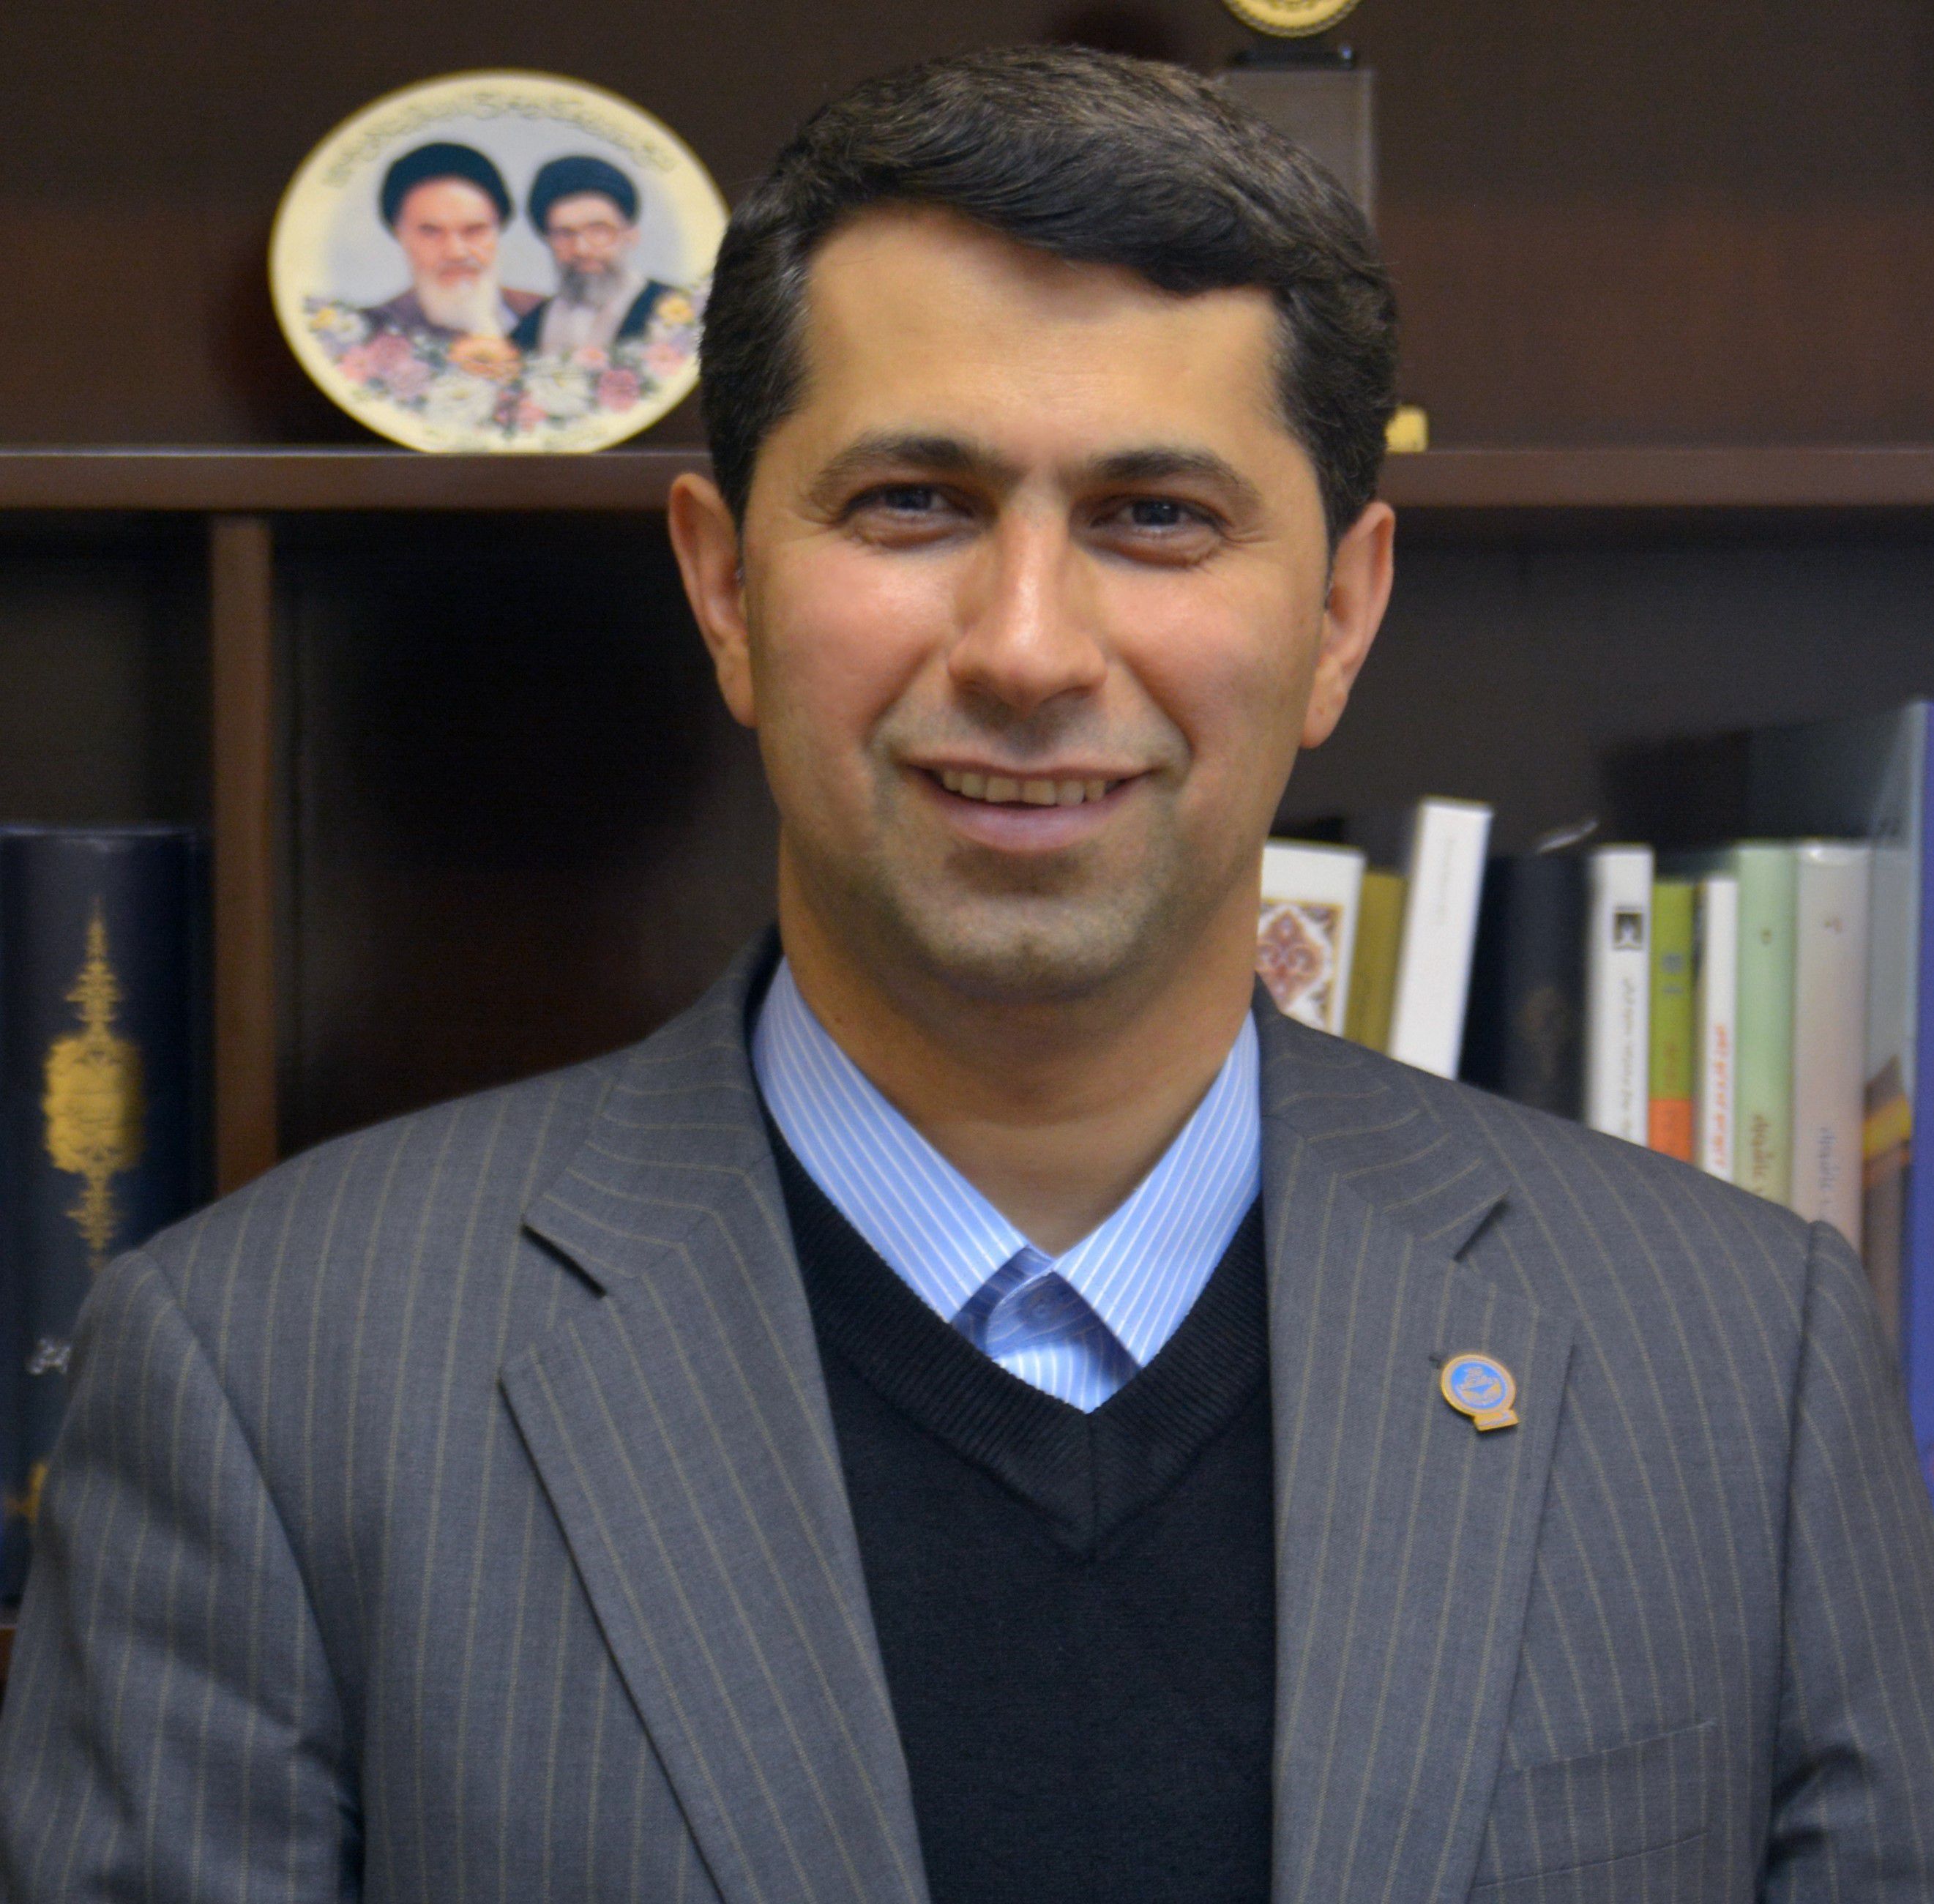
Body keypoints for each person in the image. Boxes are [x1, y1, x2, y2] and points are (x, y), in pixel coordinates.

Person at [3, 45, 1932, 1904]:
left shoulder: (1735, 1370)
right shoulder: (267, 1381)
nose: (1026, 646)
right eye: (911, 503)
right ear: (725, 586)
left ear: (1342, 613)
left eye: (1156, 518)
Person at [362, 141, 541, 342]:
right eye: (431, 232)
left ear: (497, 229)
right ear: (400, 235)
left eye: (475, 231)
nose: (456, 253)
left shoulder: (546, 316)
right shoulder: (366, 334)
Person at [510, 154, 678, 356]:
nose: (581, 249)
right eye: (564, 234)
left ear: (631, 234)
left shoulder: (678, 314)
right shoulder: (527, 331)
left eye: (599, 231)